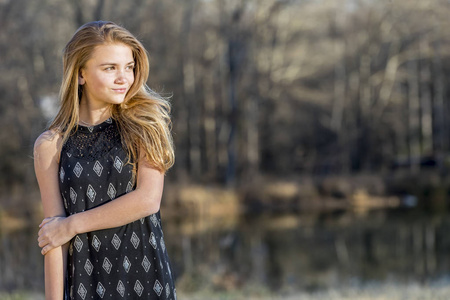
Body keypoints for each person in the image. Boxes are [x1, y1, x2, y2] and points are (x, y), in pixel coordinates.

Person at [34, 21, 176, 300]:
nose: (124, 77)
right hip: (85, 284)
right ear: (80, 74)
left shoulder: (145, 127)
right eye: (110, 68)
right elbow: (53, 236)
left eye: (129, 67)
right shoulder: (51, 145)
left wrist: (72, 225)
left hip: (146, 282)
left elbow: (148, 199)